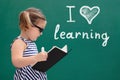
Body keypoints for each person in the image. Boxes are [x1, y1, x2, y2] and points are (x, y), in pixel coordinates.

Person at [11, 7, 48, 80]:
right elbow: (16, 62)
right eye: (40, 30)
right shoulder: (19, 42)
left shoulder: (31, 43)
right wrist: (36, 58)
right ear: (28, 25)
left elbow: (32, 63)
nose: (41, 33)